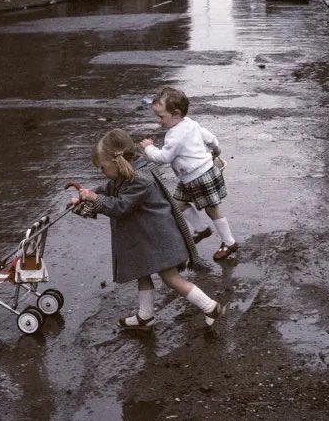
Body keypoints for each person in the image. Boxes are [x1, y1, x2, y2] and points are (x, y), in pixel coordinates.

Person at [70, 128, 225, 331]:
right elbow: (107, 192)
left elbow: (119, 206)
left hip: (159, 240)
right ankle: (146, 316)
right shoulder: (125, 176)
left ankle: (210, 307)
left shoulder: (140, 180)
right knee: (142, 273)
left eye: (102, 167)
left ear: (117, 161)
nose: (101, 172)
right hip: (145, 239)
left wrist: (94, 199)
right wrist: (86, 197)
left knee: (171, 279)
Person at [140, 87, 239, 261]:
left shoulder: (175, 136)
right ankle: (201, 229)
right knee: (178, 203)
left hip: (198, 177)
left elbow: (164, 157)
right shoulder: (191, 123)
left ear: (176, 114)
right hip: (195, 175)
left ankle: (229, 242)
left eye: (161, 116)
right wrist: (216, 150)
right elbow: (210, 138)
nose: (158, 121)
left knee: (212, 209)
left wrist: (149, 148)